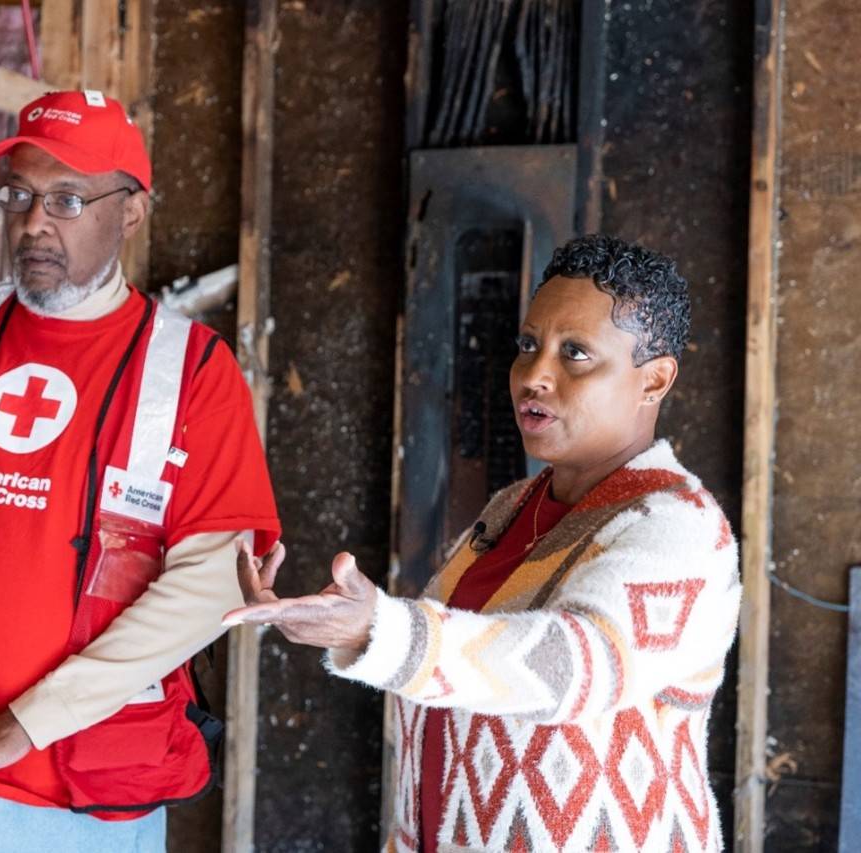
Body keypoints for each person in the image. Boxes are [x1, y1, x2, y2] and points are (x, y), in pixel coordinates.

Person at [0, 89, 280, 852]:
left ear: (131, 211)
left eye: (68, 199)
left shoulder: (192, 371)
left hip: (81, 802)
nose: (35, 222)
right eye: (20, 195)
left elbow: (211, 584)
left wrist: (25, 724)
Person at [226, 235, 740, 852]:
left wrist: (380, 631)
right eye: (529, 346)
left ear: (654, 380)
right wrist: (341, 626)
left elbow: (573, 668)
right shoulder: (511, 507)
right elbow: (456, 682)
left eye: (575, 353)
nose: (535, 376)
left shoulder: (677, 524)